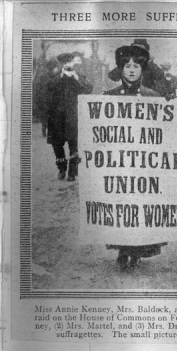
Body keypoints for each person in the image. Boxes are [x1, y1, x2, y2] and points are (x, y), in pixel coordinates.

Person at [103, 44, 164, 271]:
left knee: (140, 206)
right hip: (119, 164)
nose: (131, 70)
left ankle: (137, 249)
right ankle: (122, 249)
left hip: (144, 165)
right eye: (126, 65)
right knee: (121, 206)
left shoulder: (153, 97)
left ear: (142, 70)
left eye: (136, 66)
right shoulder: (108, 97)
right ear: (120, 69)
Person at [46, 52, 93, 181]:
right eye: (64, 63)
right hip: (56, 118)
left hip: (72, 117)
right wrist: (61, 75)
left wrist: (75, 77)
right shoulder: (54, 76)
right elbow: (48, 87)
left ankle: (72, 172)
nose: (67, 65)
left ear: (73, 63)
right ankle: (61, 169)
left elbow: (88, 89)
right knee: (57, 145)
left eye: (69, 62)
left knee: (74, 145)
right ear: (61, 64)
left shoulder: (79, 76)